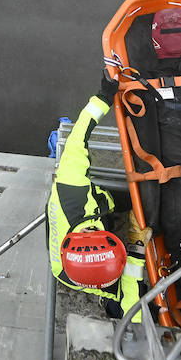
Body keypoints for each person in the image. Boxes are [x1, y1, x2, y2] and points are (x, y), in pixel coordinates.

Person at [47, 74, 147, 320]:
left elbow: (78, 136)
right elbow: (132, 307)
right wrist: (136, 249)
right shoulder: (87, 272)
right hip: (98, 216)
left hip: (92, 204)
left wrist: (104, 97)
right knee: (122, 309)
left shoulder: (71, 187)